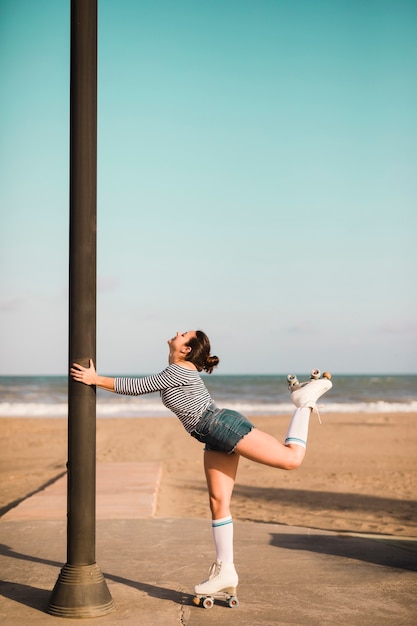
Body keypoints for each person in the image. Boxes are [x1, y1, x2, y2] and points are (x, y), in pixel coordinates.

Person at [70, 329, 332, 601]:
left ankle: (303, 404)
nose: (177, 333)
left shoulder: (180, 369)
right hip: (211, 434)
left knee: (291, 459)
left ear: (186, 350)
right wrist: (96, 380)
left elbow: (137, 387)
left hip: (221, 425)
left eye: (183, 334)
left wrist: (94, 379)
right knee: (218, 502)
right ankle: (225, 571)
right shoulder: (177, 368)